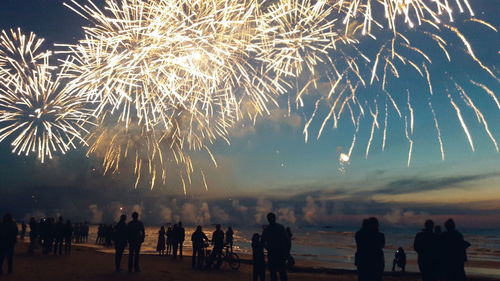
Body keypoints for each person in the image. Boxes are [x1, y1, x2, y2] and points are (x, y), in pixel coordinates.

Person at [262, 212, 288, 281]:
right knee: (282, 272)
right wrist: (287, 253)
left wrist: (268, 248)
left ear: (268, 219)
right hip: (281, 252)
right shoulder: (280, 227)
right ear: (275, 218)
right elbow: (286, 240)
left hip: (272, 253)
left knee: (273, 273)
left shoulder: (266, 229)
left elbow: (263, 241)